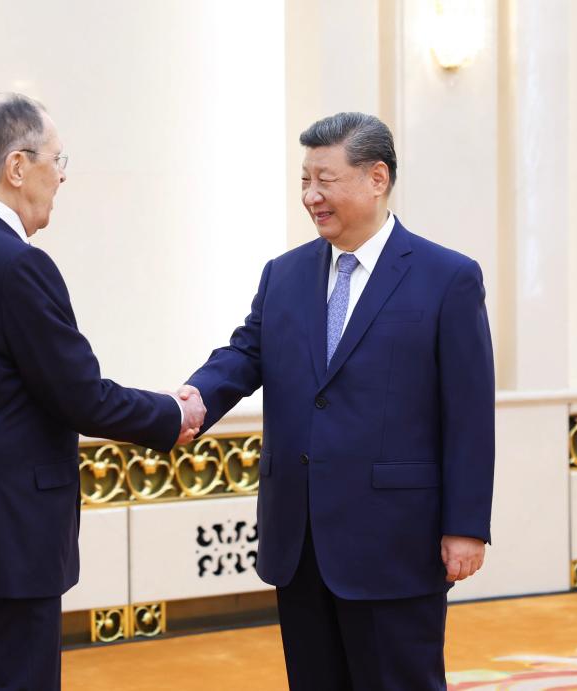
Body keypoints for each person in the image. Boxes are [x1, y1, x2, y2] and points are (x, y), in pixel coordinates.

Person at [0, 92, 205, 691]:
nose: (63, 175)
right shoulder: (16, 264)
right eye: (57, 158)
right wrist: (168, 414)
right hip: (5, 552)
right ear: (17, 167)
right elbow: (79, 395)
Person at [179, 112, 494, 690]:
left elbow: (469, 414)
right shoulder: (284, 274)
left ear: (377, 178)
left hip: (396, 542)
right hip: (299, 542)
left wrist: (466, 526)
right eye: (304, 180)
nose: (310, 196)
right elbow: (246, 354)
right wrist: (192, 398)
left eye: (325, 180)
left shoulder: (447, 277)